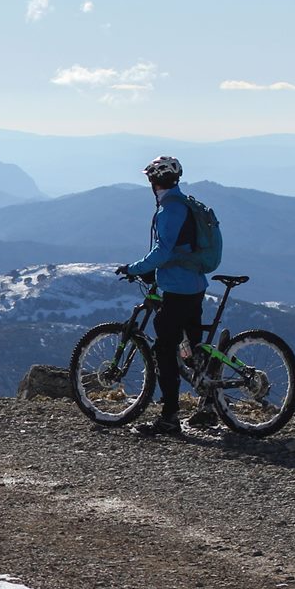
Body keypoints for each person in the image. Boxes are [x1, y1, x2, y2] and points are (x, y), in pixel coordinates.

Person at [116, 156, 215, 434]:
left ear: (154, 181)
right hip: (193, 284)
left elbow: (164, 250)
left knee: (163, 350)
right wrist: (154, 272)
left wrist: (135, 268)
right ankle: (209, 403)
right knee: (192, 349)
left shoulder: (170, 210)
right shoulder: (183, 203)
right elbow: (178, 250)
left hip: (178, 289)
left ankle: (170, 416)